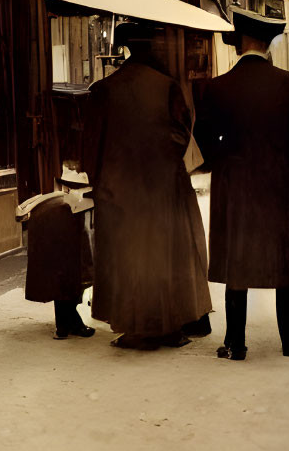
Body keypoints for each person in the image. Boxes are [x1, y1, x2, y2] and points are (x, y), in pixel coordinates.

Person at [193, 10, 289, 361]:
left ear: (243, 42)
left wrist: (225, 163)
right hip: (279, 188)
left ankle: (236, 343)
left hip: (234, 189)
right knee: (283, 264)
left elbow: (203, 137)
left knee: (238, 263)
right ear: (265, 44)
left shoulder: (218, 87)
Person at [82, 20, 211, 351]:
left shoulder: (104, 89)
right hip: (161, 186)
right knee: (165, 255)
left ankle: (133, 327)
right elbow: (181, 137)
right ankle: (168, 327)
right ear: (151, 47)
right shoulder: (166, 86)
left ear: (125, 48)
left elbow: (90, 146)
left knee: (127, 257)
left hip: (119, 188)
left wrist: (100, 183)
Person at [20, 168, 96, 339]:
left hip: (59, 240)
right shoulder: (70, 206)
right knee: (70, 280)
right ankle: (67, 324)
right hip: (64, 240)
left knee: (66, 280)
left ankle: (67, 324)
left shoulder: (58, 204)